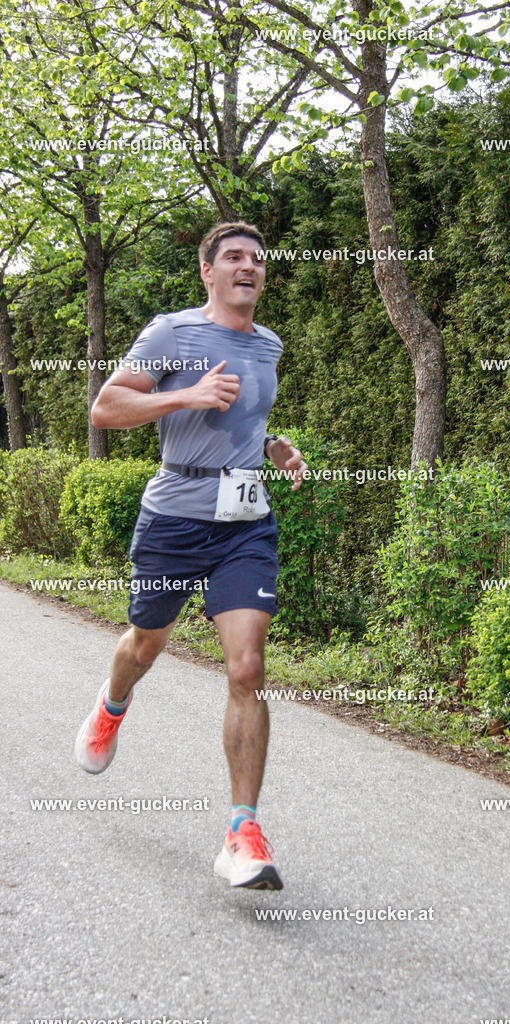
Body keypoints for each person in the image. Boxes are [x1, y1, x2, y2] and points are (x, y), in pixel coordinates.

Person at [74, 221, 306, 891]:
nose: (248, 266)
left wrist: (274, 447)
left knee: (248, 667)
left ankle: (242, 833)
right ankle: (112, 705)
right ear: (207, 271)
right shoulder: (171, 333)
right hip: (175, 518)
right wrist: (187, 393)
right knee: (146, 645)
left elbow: (243, 423)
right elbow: (106, 407)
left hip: (243, 522)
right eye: (233, 257)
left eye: (257, 259)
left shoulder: (268, 344)